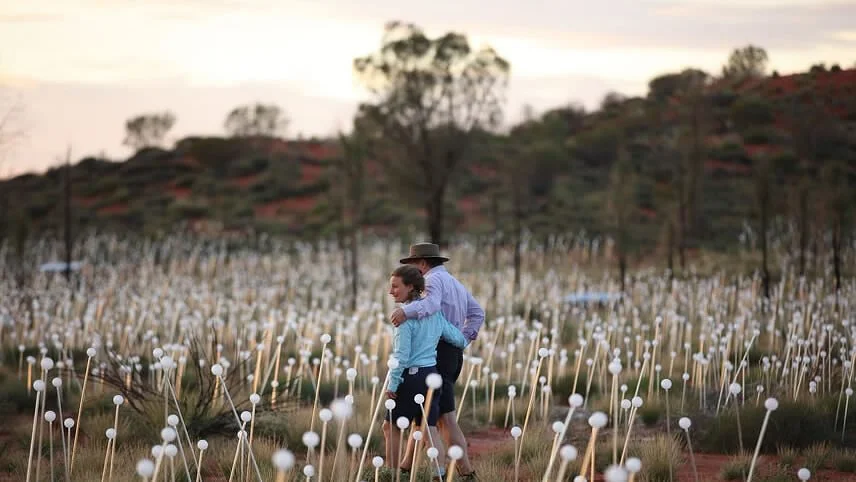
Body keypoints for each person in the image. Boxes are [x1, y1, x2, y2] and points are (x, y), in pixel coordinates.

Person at [389, 243, 484, 480]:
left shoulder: (432, 281)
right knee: (425, 415)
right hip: (450, 352)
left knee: (444, 418)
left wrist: (405, 312)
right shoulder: (454, 282)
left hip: (437, 353)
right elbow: (477, 313)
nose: (412, 270)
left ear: (422, 263)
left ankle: (466, 472)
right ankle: (405, 466)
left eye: (413, 264)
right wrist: (463, 339)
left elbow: (430, 307)